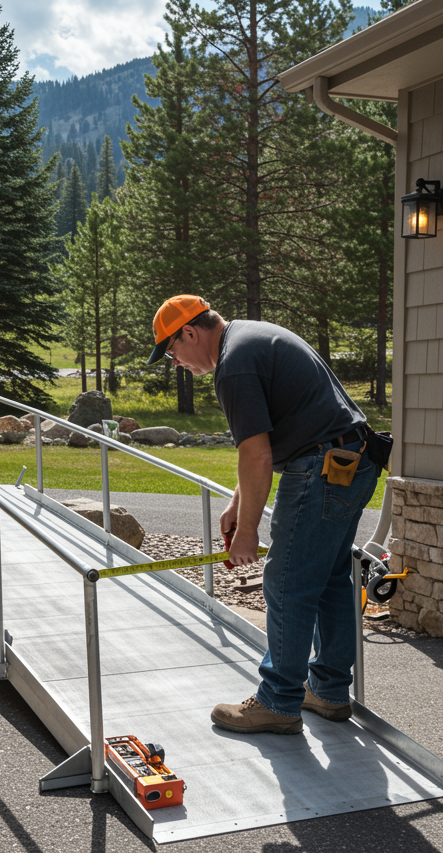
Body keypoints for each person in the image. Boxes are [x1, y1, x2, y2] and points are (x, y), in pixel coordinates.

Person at [146, 295, 378, 734]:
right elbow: (264, 445)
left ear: (190, 333)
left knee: (287, 581)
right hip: (352, 460)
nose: (175, 362)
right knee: (328, 579)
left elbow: (255, 454)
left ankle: (278, 702)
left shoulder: (234, 364)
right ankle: (327, 690)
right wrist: (238, 503)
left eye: (172, 350)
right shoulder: (250, 337)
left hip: (322, 467)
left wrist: (247, 530)